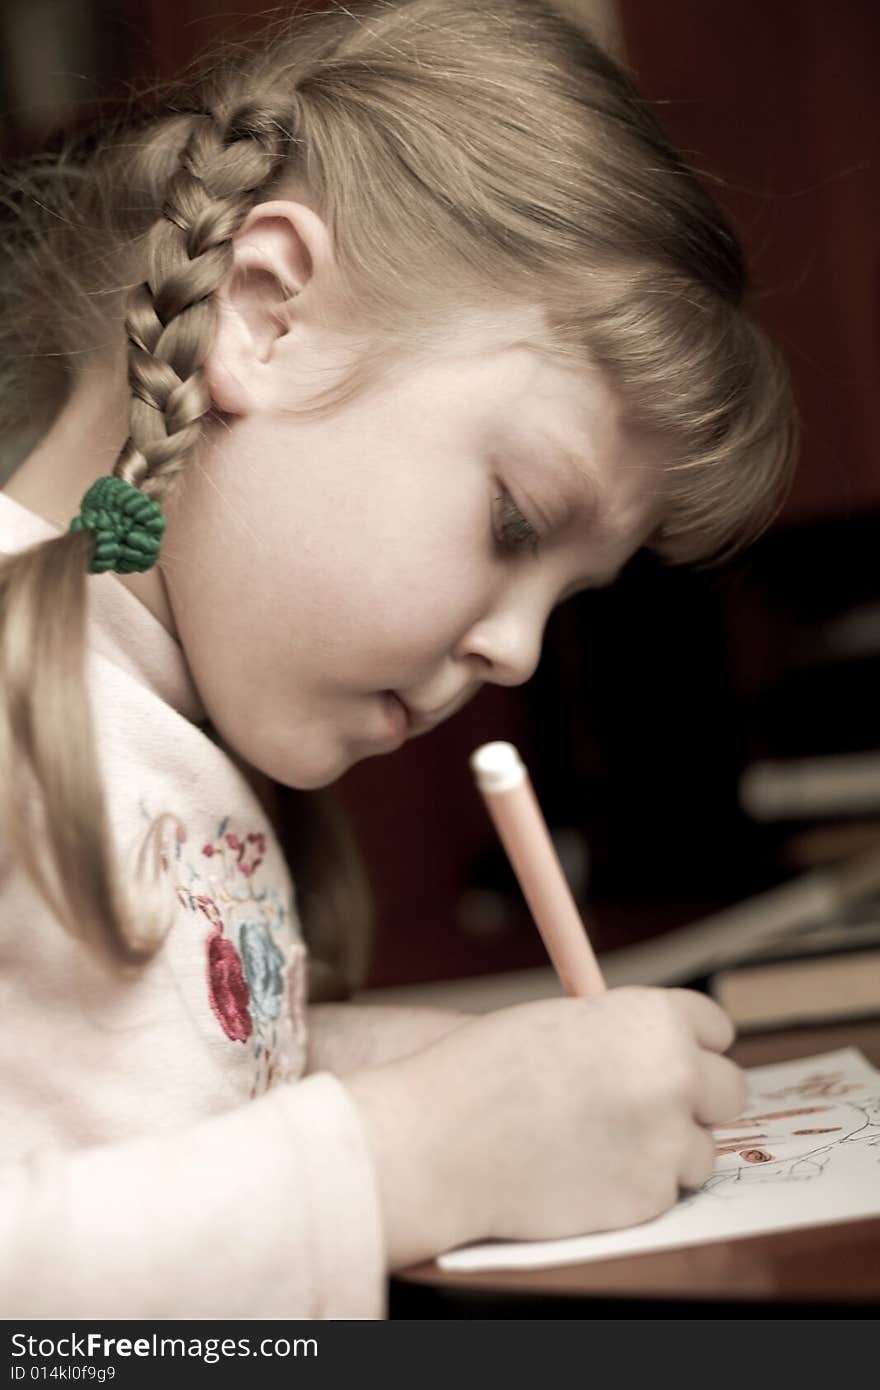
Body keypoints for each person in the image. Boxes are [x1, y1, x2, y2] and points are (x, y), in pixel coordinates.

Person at [0, 0, 795, 1319]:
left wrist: (376, 1069)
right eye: (513, 522)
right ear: (264, 313)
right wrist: (409, 1155)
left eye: (567, 596)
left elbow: (102, 1103)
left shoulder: (164, 711)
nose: (519, 650)